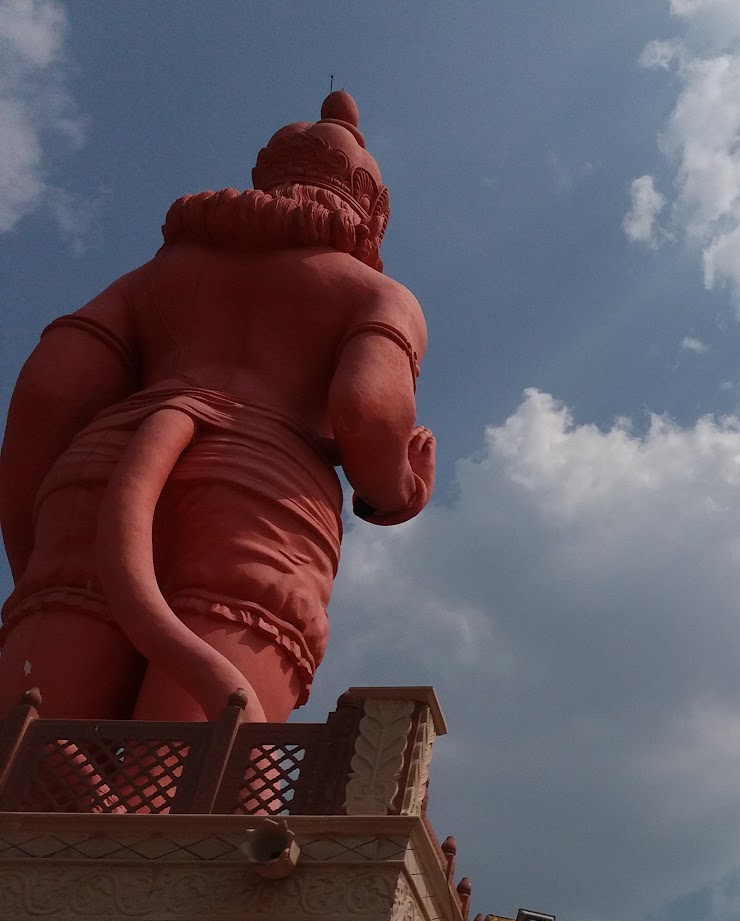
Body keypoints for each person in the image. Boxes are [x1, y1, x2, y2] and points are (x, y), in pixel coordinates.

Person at [0, 91, 432, 723]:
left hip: (101, 473)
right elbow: (367, 412)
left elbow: (49, 393)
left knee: (29, 742)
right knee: (191, 764)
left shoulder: (154, 276)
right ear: (370, 217)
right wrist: (401, 489)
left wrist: (36, 549)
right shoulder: (378, 293)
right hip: (260, 497)